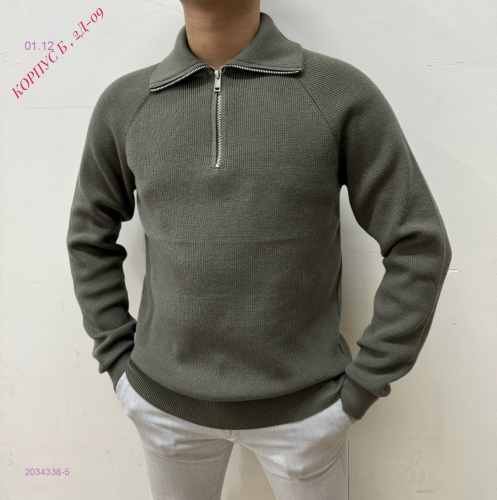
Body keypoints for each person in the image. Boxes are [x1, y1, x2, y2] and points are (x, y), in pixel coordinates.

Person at [65, 1, 452, 499]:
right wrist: (119, 362)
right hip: (163, 408)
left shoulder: (338, 93)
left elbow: (419, 243)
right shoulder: (125, 104)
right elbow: (88, 238)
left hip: (307, 416)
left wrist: (361, 387)